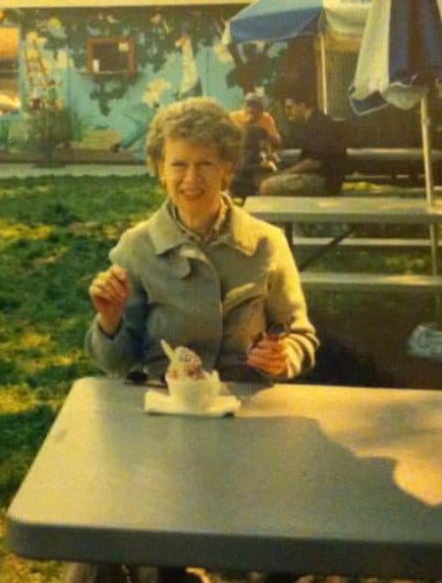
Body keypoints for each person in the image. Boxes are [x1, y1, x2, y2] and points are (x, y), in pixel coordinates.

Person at [73, 97, 319, 583]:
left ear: (228, 168)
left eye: (206, 164)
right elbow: (117, 365)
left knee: (271, 553)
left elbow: (301, 334)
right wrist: (109, 320)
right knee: (115, 555)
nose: (192, 178)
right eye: (178, 165)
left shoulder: (267, 243)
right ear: (160, 170)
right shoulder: (136, 248)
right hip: (163, 424)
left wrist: (283, 355)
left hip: (249, 423)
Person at [259, 87, 347, 197]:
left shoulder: (318, 125)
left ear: (302, 105)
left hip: (324, 181)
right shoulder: (314, 122)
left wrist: (285, 173)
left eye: (290, 108)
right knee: (264, 179)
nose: (287, 112)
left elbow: (314, 162)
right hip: (321, 178)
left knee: (266, 186)